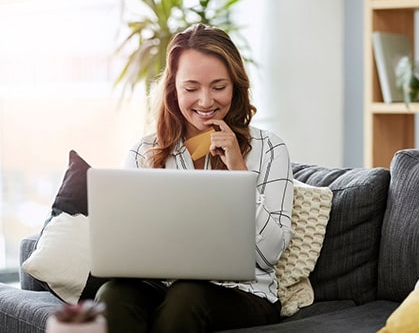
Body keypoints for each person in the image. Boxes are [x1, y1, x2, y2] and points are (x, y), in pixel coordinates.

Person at [95, 23, 294, 333]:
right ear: (173, 89)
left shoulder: (270, 149)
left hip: (244, 293)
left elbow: (269, 254)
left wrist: (239, 171)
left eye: (218, 87)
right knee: (111, 296)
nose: (205, 101)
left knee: (186, 296)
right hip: (161, 286)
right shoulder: (143, 153)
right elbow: (127, 249)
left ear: (236, 86)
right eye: (191, 89)